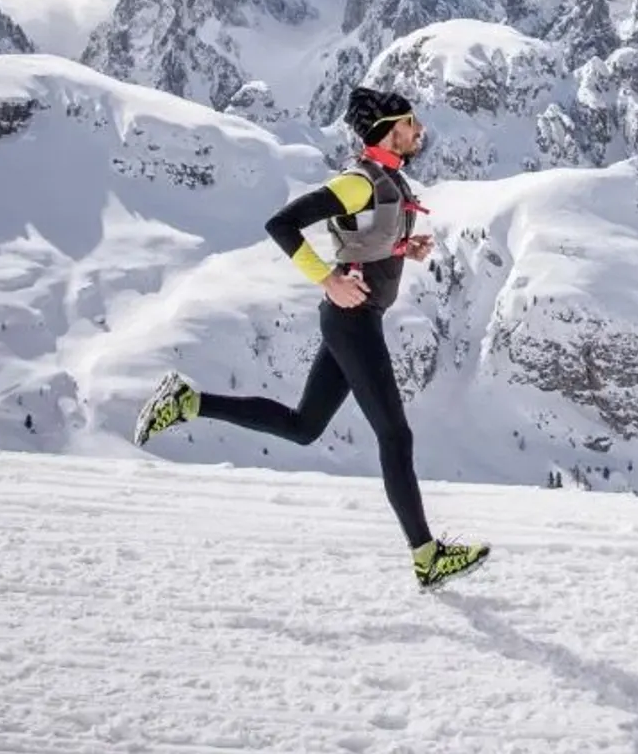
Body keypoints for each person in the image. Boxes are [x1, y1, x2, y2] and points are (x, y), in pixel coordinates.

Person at [132, 85, 489, 591]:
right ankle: (426, 556)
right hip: (353, 320)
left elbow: (365, 236)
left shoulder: (387, 178)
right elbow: (282, 224)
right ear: (388, 131)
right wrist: (329, 280)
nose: (418, 131)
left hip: (356, 319)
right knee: (395, 435)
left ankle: (187, 402)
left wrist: (402, 248)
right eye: (411, 123)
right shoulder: (359, 181)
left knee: (303, 427)